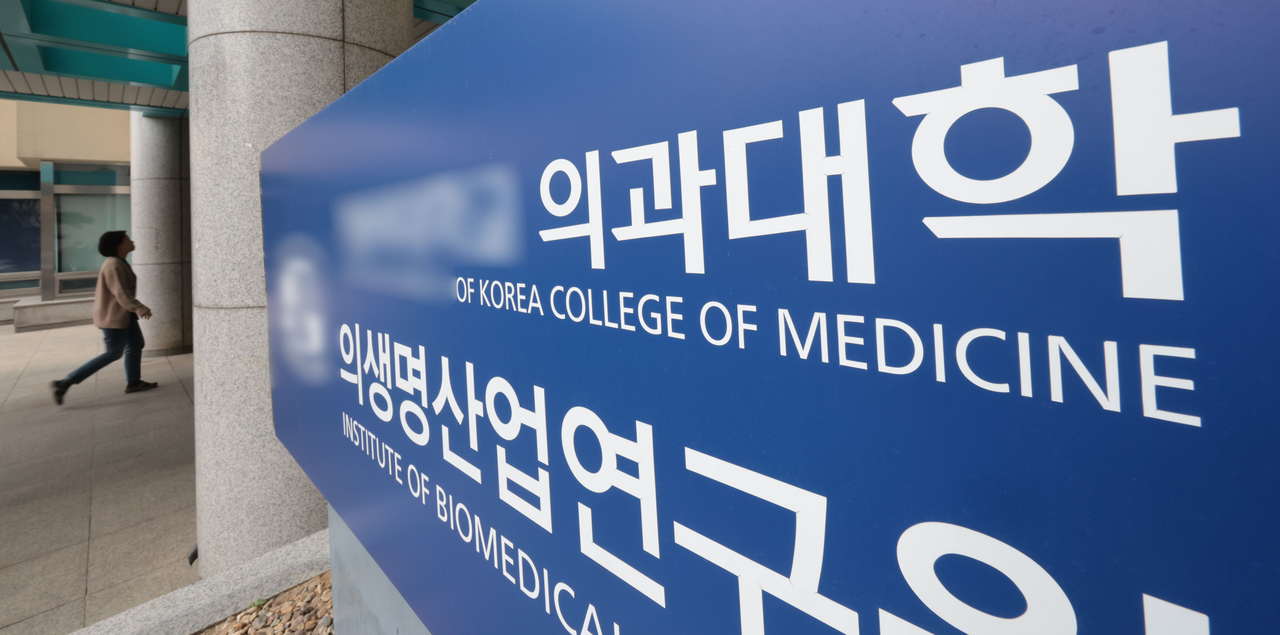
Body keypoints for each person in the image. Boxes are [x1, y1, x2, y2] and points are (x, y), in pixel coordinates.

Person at [51, 231, 157, 405]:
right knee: (113, 353)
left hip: (124, 316)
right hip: (114, 318)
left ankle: (134, 382)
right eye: (127, 239)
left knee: (136, 344)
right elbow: (121, 294)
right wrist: (140, 308)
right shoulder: (113, 265)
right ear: (118, 245)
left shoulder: (118, 262)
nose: (132, 241)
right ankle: (66, 382)